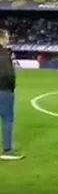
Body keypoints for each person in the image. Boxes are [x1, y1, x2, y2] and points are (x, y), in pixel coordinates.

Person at [0, 29, 24, 160]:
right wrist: (11, 87)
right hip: (3, 91)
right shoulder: (4, 54)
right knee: (7, 120)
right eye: (6, 38)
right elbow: (8, 74)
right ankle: (7, 151)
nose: (8, 40)